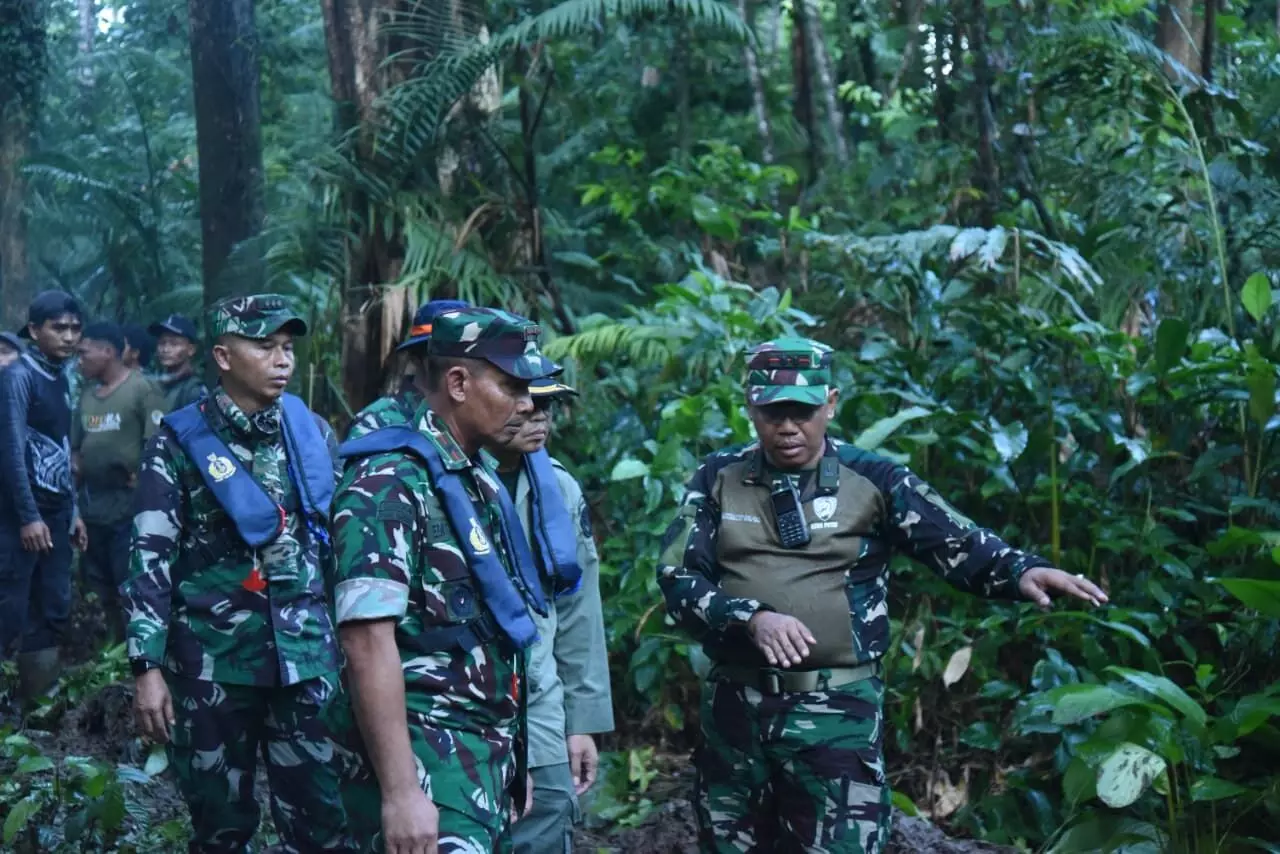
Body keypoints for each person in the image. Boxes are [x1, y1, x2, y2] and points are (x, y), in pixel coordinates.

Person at [657, 337, 1110, 854]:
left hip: (836, 713)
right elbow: (677, 577)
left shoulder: (875, 479)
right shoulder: (718, 477)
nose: (787, 426)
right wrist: (750, 616)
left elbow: (955, 542)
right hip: (734, 713)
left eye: (802, 411)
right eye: (771, 411)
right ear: (750, 405)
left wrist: (1023, 570)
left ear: (830, 403)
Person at [121, 294, 354, 854]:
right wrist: (146, 667)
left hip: (307, 659)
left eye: (288, 347)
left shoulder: (313, 433)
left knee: (325, 824)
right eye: (265, 346)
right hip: (211, 666)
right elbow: (150, 555)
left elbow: (340, 543)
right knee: (221, 828)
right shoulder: (179, 441)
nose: (283, 360)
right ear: (224, 357)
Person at [329, 306, 560, 853]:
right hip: (427, 759)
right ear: (457, 382)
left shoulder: (468, 474)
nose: (529, 403)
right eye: (512, 385)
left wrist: (511, 758)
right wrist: (402, 792)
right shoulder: (387, 481)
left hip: (480, 758)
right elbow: (366, 641)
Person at [489, 378, 614, 854]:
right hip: (450, 712)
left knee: (547, 821)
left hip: (538, 704)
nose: (538, 416)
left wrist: (580, 722)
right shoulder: (430, 479)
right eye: (527, 403)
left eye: (547, 406)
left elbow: (578, 609)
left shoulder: (555, 487)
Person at [0, 291, 87, 705]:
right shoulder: (19, 377)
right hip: (17, 514)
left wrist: (75, 512)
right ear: (34, 331)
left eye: (74, 327)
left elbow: (64, 448)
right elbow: (12, 451)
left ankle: (38, 707)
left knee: (53, 604)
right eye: (59, 327)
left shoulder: (62, 376)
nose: (69, 336)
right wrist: (28, 515)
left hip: (56, 510)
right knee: (10, 605)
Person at [72, 321, 167, 643]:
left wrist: (144, 481)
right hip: (92, 506)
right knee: (97, 584)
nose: (79, 360)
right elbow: (75, 448)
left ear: (108, 352)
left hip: (129, 508)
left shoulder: (141, 389)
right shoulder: (86, 396)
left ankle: (138, 652)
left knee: (128, 580)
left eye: (84, 352)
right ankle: (108, 647)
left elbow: (158, 443)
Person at [148, 313, 207, 411]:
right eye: (162, 343)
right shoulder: (155, 385)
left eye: (174, 344)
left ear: (191, 349)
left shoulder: (193, 391)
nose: (166, 349)